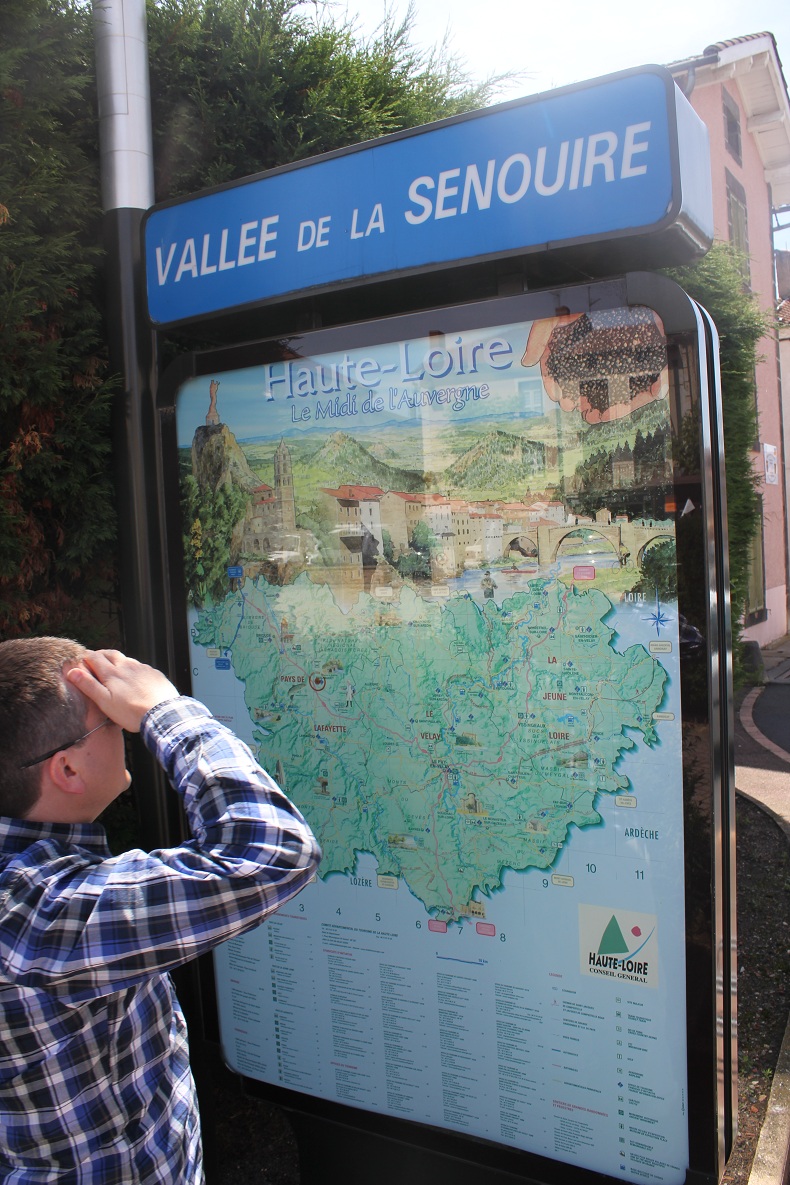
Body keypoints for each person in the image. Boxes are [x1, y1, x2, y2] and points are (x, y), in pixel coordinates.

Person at [0, 639, 321, 1183]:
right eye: (110, 720)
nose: (127, 728)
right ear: (68, 769)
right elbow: (272, 851)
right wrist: (165, 711)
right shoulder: (38, 912)